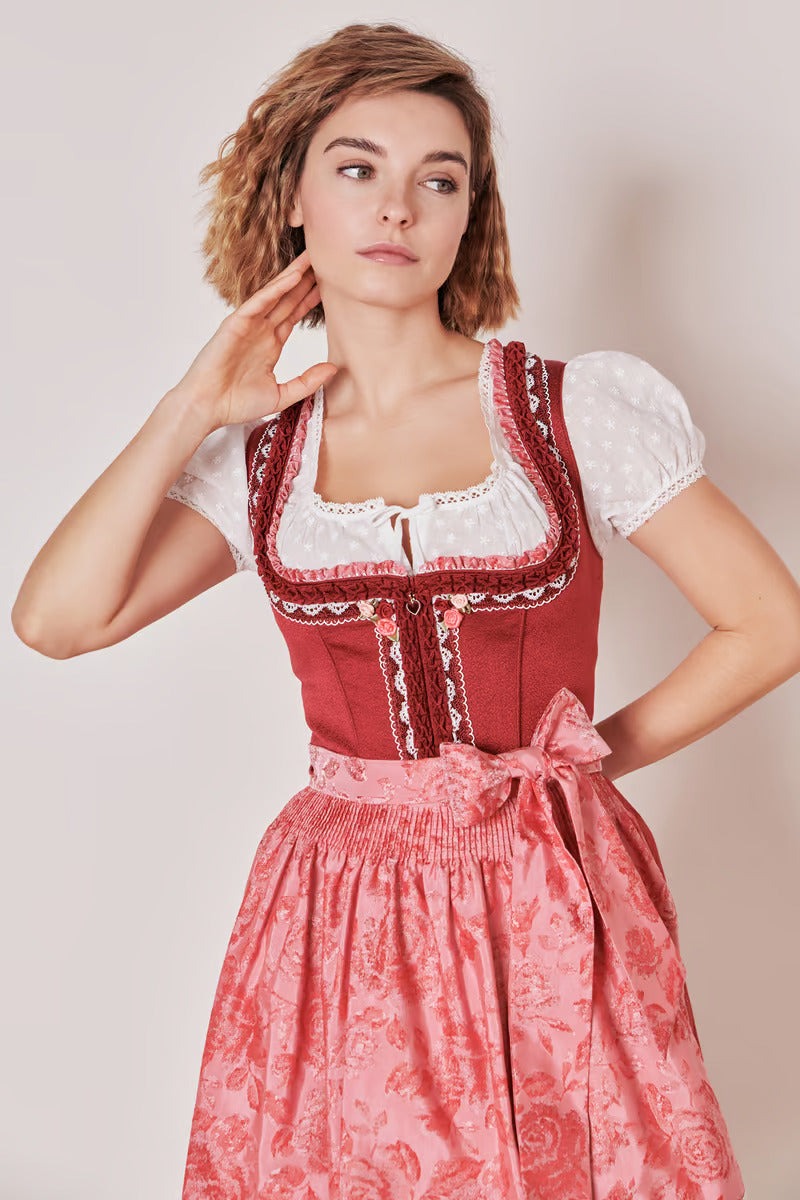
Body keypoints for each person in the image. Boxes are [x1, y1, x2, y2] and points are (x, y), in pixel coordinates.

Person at [12, 19, 799, 1200]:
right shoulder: (261, 456)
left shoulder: (567, 410)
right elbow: (57, 621)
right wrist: (191, 405)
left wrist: (574, 770)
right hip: (340, 910)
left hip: (548, 885)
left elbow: (767, 620)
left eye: (439, 180)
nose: (396, 207)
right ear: (291, 196)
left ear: (467, 214)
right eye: (357, 168)